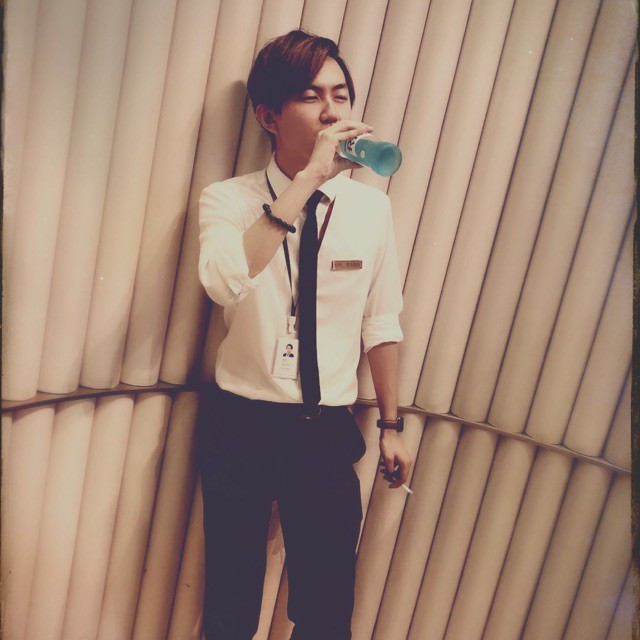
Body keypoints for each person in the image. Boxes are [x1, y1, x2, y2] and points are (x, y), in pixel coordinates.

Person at [196, 29, 413, 640]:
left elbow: (381, 320)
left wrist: (392, 425)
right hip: (240, 423)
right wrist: (307, 181)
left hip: (324, 430)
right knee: (230, 612)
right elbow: (224, 283)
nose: (331, 111)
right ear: (268, 116)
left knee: (326, 612)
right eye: (311, 95)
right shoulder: (227, 200)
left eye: (340, 94)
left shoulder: (372, 210)